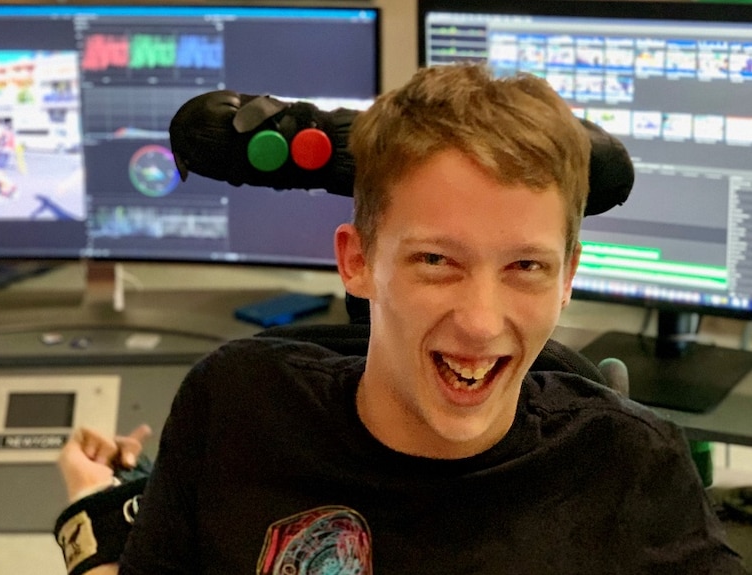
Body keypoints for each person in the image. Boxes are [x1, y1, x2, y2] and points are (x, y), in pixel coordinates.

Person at [55, 63, 746, 574]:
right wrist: (95, 532)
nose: (479, 321)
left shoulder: (629, 468)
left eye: (525, 267)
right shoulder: (234, 408)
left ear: (568, 275)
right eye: (436, 261)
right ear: (356, 261)